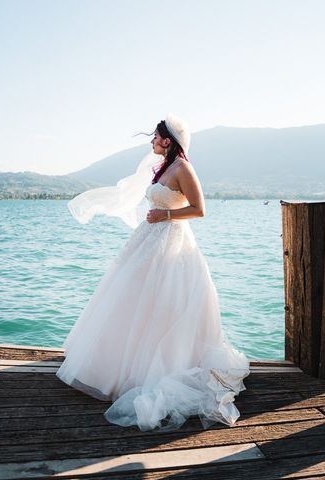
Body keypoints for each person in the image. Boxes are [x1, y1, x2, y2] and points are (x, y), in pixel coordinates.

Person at [56, 114, 250, 432]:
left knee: (165, 303)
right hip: (149, 241)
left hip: (173, 244)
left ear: (168, 141)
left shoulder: (184, 168)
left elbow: (200, 209)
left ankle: (159, 367)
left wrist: (166, 213)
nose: (152, 142)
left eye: (155, 137)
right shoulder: (162, 167)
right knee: (131, 302)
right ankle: (116, 368)